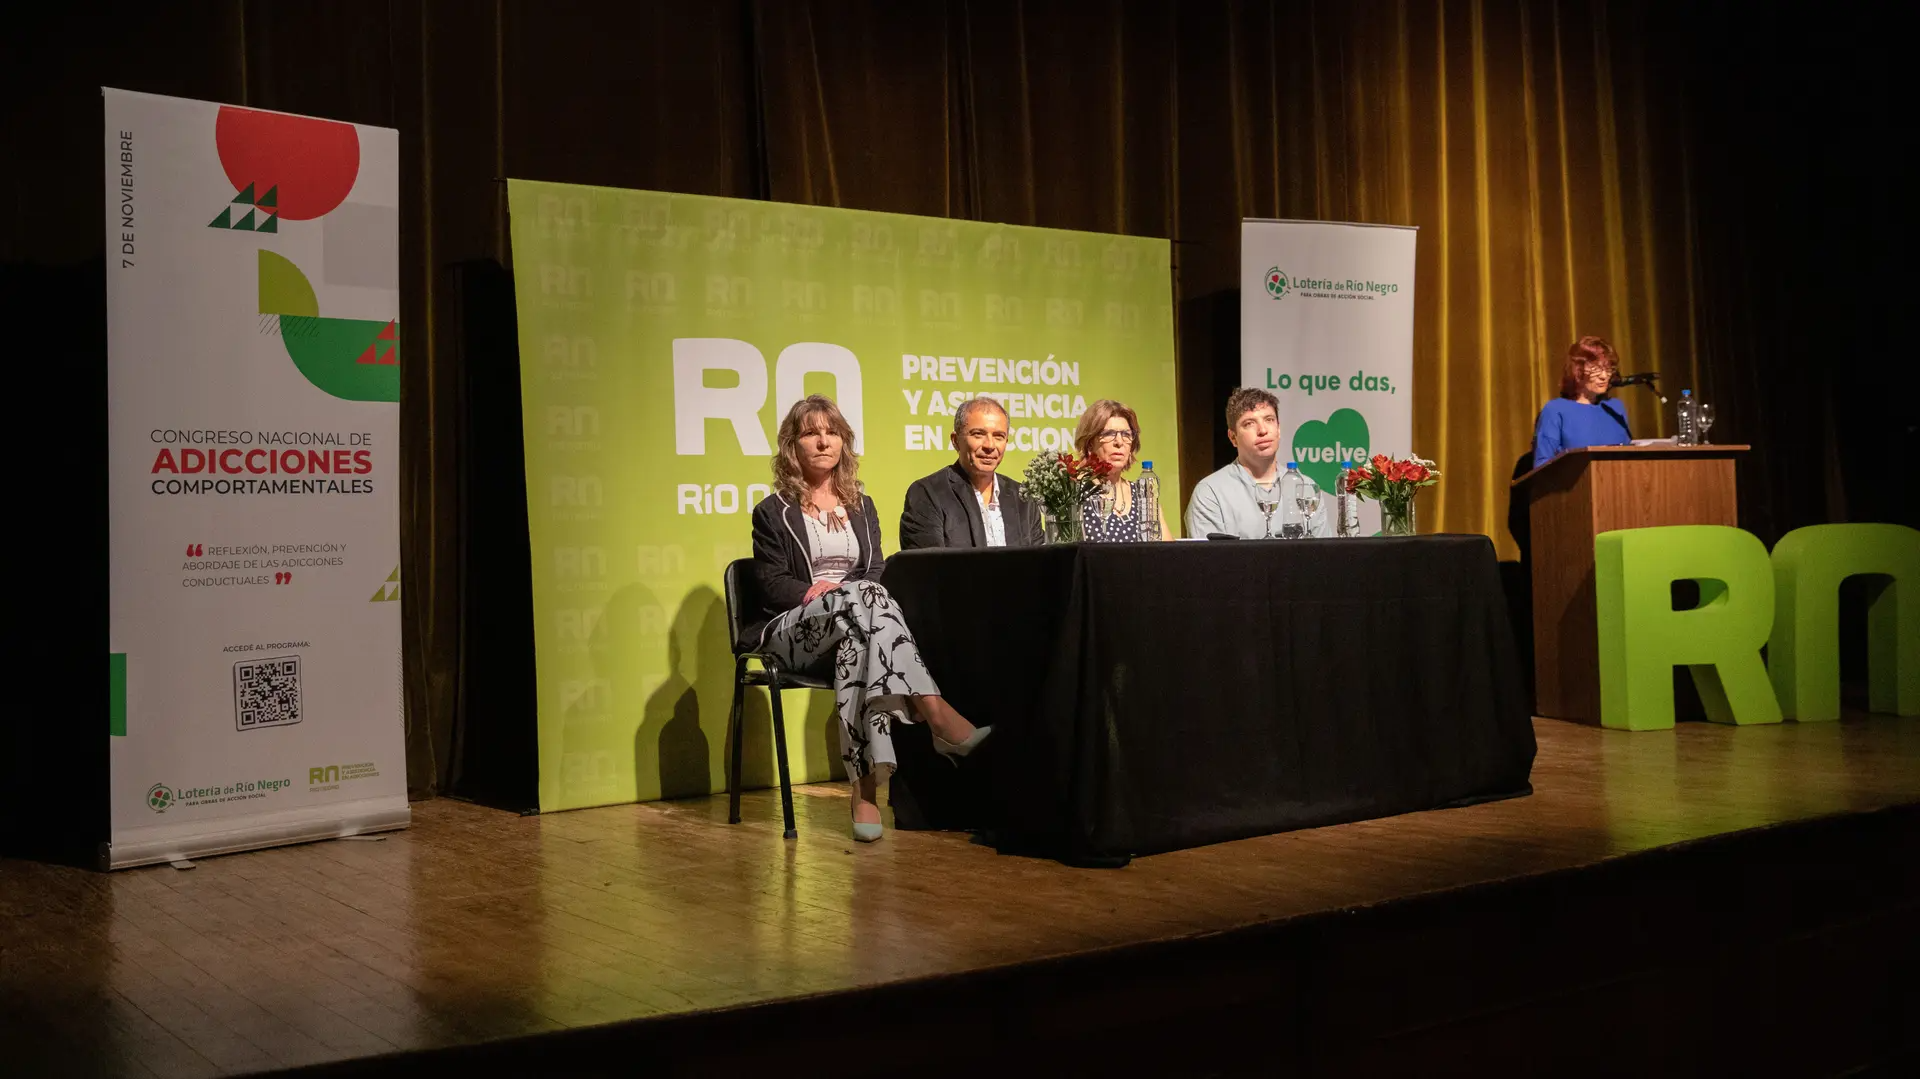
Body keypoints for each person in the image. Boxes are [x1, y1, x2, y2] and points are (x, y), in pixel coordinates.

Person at [746, 395, 991, 843]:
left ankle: (864, 792)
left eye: (832, 432)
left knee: (860, 646)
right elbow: (771, 583)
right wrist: (819, 592)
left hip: (855, 624)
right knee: (863, 600)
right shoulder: (772, 511)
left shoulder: (862, 505)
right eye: (811, 433)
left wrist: (850, 594)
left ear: (844, 442)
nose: (824, 442)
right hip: (794, 628)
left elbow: (877, 570)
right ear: (792, 445)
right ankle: (935, 712)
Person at [899, 396, 1045, 550]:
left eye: (999, 436)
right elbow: (928, 563)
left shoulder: (1023, 498)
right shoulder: (927, 494)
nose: (990, 445)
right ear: (955, 441)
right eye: (978, 434)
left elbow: (1040, 560)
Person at [1187, 387, 1331, 539]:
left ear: (1278, 429)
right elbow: (1209, 554)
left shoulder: (1306, 488)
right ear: (1233, 438)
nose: (1262, 430)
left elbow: (1324, 551)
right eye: (1249, 423)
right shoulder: (1211, 493)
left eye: (1269, 420)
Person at [1075, 399, 1174, 542]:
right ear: (1089, 443)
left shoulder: (1143, 496)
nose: (1119, 442)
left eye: (1126, 434)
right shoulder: (1075, 494)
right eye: (1109, 434)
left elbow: (1168, 551)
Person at [1532, 335, 1634, 469]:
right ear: (1578, 370)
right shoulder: (1556, 410)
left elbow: (1629, 458)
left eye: (1608, 369)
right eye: (1596, 369)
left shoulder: (1615, 408)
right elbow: (1542, 466)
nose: (1604, 376)